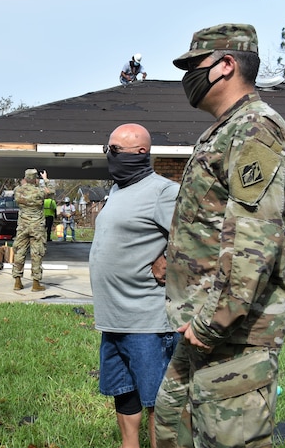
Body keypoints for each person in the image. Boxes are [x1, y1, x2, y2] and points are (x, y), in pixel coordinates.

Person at [155, 23, 285, 448]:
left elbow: (254, 247)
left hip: (232, 334)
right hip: (204, 327)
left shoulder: (255, 129)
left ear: (226, 65)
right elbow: (213, 221)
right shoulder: (227, 129)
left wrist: (212, 322)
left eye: (193, 66)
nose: (187, 77)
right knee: (170, 422)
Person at [90, 123, 180, 448]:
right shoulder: (117, 191)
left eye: (113, 150)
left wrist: (167, 258)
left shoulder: (163, 191)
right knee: (123, 391)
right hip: (113, 319)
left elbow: (196, 238)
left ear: (140, 152)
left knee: (157, 398)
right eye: (107, 149)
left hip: (147, 320)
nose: (108, 156)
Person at [12, 169, 51, 291]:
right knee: (37, 253)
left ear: (25, 178)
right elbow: (51, 191)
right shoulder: (39, 191)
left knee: (19, 252)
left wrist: (25, 183)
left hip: (22, 226)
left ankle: (17, 282)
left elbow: (20, 189)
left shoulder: (18, 190)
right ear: (36, 179)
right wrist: (45, 179)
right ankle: (35, 283)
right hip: (37, 227)